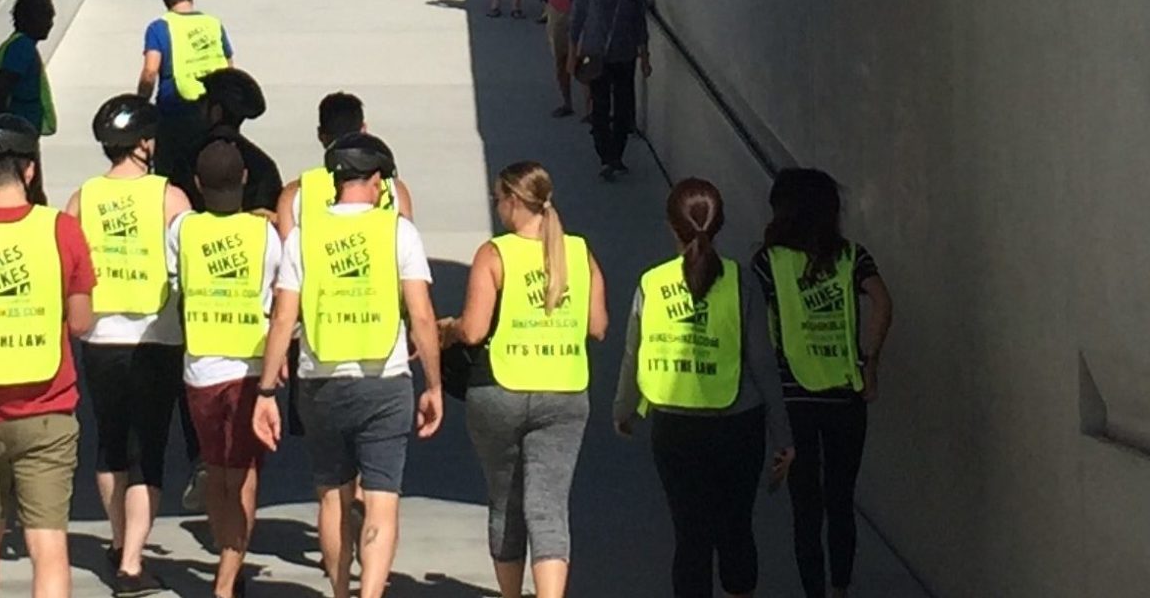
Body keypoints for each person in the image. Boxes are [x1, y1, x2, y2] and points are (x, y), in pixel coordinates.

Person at [254, 134, 444, 598]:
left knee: (333, 497)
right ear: (377, 179)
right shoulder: (397, 230)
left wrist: (265, 391)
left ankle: (340, 591)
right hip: (385, 380)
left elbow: (283, 316)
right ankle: (371, 592)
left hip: (320, 383)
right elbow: (420, 313)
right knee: (381, 502)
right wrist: (434, 385)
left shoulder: (304, 235)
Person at [0, 115, 99, 598]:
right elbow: (81, 321)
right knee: (48, 543)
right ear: (30, 171)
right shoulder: (62, 230)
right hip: (48, 410)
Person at [616, 177, 793, 598]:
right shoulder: (742, 281)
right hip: (739, 423)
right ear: (721, 224)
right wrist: (784, 436)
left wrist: (624, 408)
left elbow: (632, 351)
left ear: (670, 226)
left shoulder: (653, 283)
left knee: (691, 536)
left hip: (675, 426)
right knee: (736, 529)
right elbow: (763, 363)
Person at [441, 162, 607, 598]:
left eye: (499, 199)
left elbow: (475, 331)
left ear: (514, 201)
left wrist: (449, 330)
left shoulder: (495, 254)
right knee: (549, 506)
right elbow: (598, 325)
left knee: (507, 502)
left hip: (501, 388)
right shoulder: (578, 252)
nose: (498, 208)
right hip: (564, 389)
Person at [65, 96, 191, 597]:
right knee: (149, 452)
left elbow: (70, 266)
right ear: (143, 143)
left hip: (100, 338)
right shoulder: (170, 197)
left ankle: (119, 541)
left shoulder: (81, 198)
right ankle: (133, 563)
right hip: (155, 337)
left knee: (111, 443)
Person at [752, 169, 893, 598]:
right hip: (846, 394)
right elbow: (883, 302)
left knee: (806, 508)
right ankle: (840, 589)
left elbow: (754, 325)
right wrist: (870, 363)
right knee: (840, 499)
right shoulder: (852, 255)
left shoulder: (767, 262)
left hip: (793, 397)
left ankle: (814, 591)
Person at [167, 138, 283, 598]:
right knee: (245, 473)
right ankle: (227, 579)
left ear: (196, 185)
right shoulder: (265, 235)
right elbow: (278, 297)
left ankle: (225, 558)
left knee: (215, 470)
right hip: (250, 367)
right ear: (244, 180)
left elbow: (175, 281)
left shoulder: (183, 229)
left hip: (200, 371)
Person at [137, 0, 232, 185]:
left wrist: (141, 106)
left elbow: (150, 72)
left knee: (171, 180)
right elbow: (229, 67)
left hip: (175, 113)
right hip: (213, 113)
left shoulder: (159, 28)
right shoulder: (213, 24)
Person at [569, 0, 650, 177]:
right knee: (601, 106)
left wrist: (644, 56)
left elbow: (640, 24)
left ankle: (618, 155)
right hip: (596, 55)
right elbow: (576, 21)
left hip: (624, 55)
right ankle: (606, 156)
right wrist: (572, 56)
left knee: (624, 108)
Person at [277, 92, 415, 231]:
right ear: (364, 129)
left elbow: (287, 248)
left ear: (321, 135)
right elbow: (406, 241)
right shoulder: (395, 190)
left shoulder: (293, 194)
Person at [194, 67, 282, 214]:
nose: (197, 102)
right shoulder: (263, 166)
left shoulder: (188, 158)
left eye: (204, 97)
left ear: (216, 110)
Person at [0, 0, 58, 138]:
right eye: (46, 16)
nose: (50, 23)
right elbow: (0, 91)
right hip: (16, 136)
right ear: (29, 18)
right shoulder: (21, 47)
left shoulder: (17, 45)